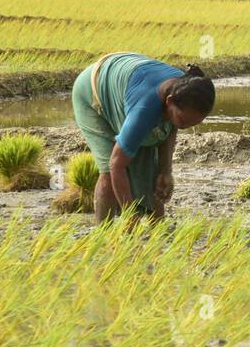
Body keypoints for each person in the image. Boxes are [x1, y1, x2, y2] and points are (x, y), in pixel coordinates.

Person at [72, 53, 215, 221]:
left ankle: (158, 229)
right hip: (92, 89)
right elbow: (116, 164)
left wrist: (166, 171)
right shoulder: (144, 110)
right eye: (183, 121)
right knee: (108, 172)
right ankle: (103, 233)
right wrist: (130, 216)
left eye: (193, 123)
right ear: (169, 102)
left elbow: (171, 128)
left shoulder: (185, 87)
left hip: (127, 77)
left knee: (153, 168)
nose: (185, 127)